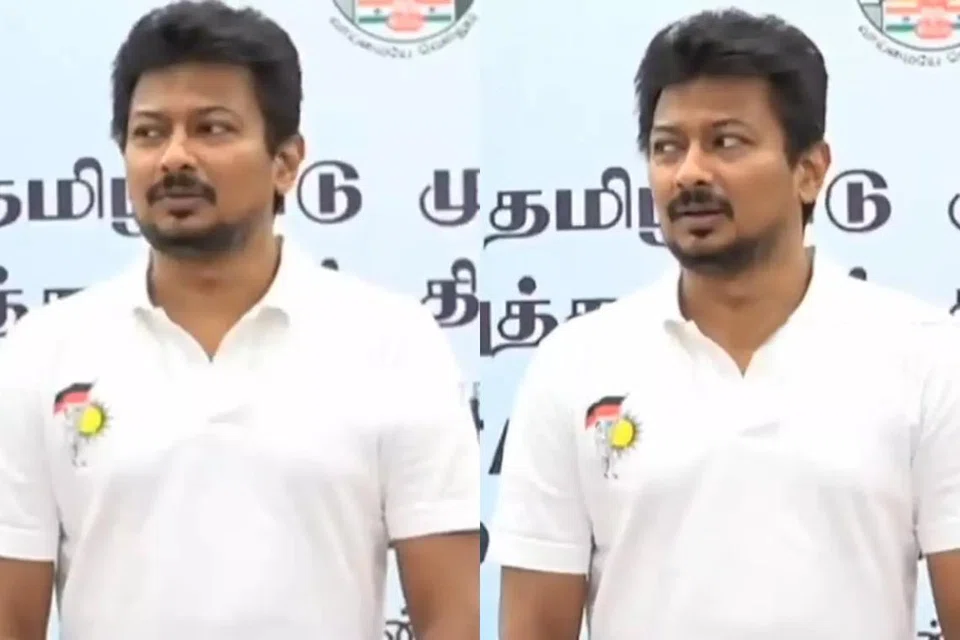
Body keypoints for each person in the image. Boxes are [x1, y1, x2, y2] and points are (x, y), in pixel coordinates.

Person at [0, 2, 479, 639]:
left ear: (286, 162)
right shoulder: (43, 350)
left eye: (212, 129)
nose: (174, 158)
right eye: (149, 134)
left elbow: (450, 616)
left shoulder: (392, 342)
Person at [490, 9, 960, 640]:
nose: (689, 173)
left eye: (726, 142)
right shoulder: (576, 364)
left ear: (809, 171)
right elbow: (534, 626)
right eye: (667, 147)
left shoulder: (924, 357)